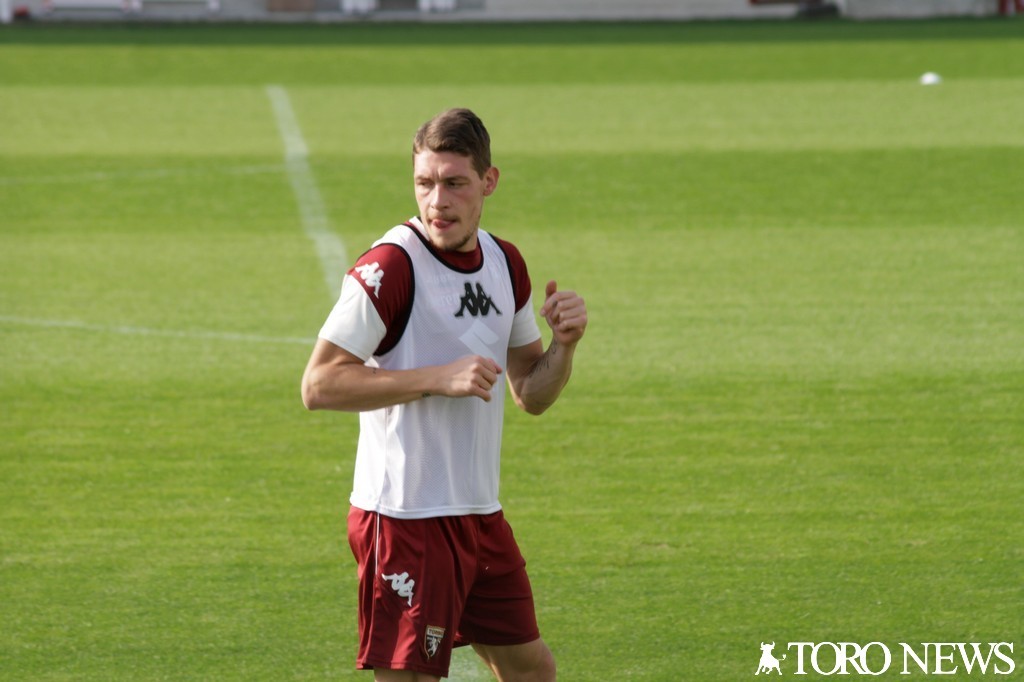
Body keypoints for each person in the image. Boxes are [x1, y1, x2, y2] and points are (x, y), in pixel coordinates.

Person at [301, 108, 587, 681]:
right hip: (405, 517)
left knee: (531, 670)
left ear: (489, 181)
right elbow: (319, 383)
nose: (438, 201)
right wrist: (437, 377)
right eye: (425, 183)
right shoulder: (391, 267)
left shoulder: (506, 264)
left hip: (478, 515)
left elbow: (531, 390)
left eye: (454, 183)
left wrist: (566, 346)